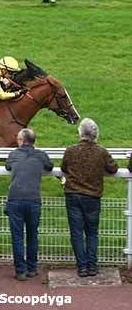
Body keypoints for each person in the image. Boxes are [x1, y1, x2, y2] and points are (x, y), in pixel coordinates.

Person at [61, 118, 118, 277]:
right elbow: (113, 169)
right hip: (92, 197)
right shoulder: (101, 152)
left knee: (77, 233)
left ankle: (82, 267)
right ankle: (92, 266)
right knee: (92, 233)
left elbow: (63, 167)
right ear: (95, 134)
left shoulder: (70, 150)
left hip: (73, 195)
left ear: (80, 133)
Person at [5, 128, 53, 281]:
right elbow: (50, 166)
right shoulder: (41, 155)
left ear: (21, 141)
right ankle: (32, 268)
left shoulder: (13, 155)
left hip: (15, 199)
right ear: (33, 141)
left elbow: (8, 166)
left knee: (17, 237)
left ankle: (20, 271)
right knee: (33, 235)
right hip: (33, 200)